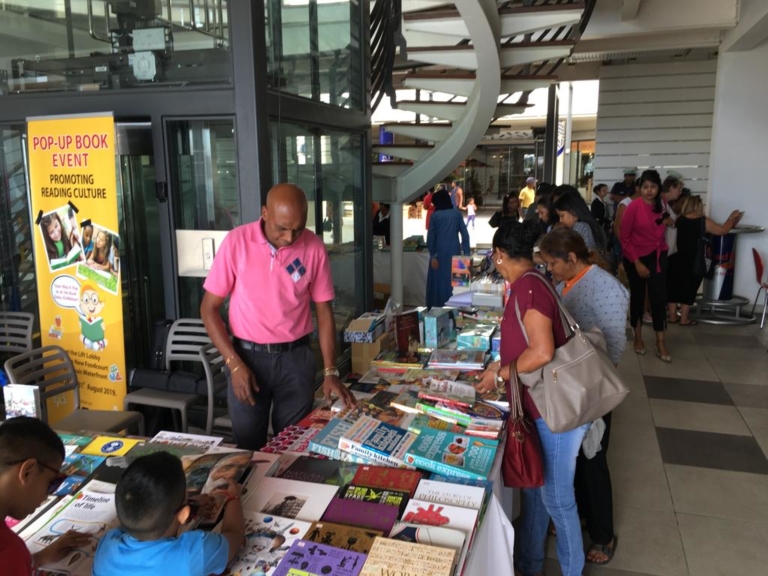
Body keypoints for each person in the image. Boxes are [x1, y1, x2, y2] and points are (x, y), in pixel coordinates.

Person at [200, 183, 356, 450]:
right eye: (282, 228)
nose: (289, 237)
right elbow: (208, 308)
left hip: (296, 361)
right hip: (247, 360)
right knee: (249, 449)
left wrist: (330, 370)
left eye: (297, 228)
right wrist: (234, 364)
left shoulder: (313, 247)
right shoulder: (237, 242)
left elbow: (323, 310)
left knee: (293, 447)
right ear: (264, 213)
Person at [473, 220, 589, 576]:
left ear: (499, 255)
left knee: (557, 497)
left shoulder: (528, 290)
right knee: (539, 493)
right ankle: (529, 563)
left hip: (555, 410)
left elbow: (541, 352)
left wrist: (500, 372)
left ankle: (572, 570)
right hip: (540, 405)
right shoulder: (531, 282)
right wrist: (500, 363)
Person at [538, 229, 629, 566]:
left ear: (572, 259)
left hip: (593, 387)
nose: (550, 270)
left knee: (594, 460)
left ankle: (603, 534)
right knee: (576, 458)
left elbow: (614, 345)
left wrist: (591, 384)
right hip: (571, 386)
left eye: (553, 264)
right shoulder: (567, 283)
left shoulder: (606, 288)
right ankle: (581, 516)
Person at [93, 452, 244, 576]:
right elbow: (235, 535)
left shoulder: (107, 543)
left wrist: (187, 503)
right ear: (184, 514)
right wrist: (233, 498)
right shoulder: (194, 551)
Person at [0, 417, 91, 576]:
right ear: (27, 471)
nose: (45, 496)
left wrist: (37, 558)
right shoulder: (8, 552)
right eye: (51, 483)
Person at [667, 196, 744, 326]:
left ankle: (673, 316)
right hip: (694, 260)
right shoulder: (703, 221)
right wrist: (732, 218)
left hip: (675, 258)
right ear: (697, 206)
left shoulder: (680, 219)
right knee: (689, 289)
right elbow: (722, 231)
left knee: (674, 288)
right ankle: (684, 319)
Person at [621, 170, 671, 362]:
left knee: (659, 297)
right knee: (639, 297)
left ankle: (660, 341)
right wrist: (637, 263)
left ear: (659, 188)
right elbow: (625, 239)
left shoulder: (663, 204)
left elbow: (669, 222)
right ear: (639, 188)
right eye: (645, 187)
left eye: (653, 187)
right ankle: (638, 336)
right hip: (635, 255)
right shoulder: (633, 207)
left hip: (658, 254)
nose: (649, 191)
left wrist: (668, 220)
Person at [426, 189, 470, 308]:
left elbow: (430, 238)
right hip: (456, 253)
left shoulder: (435, 216)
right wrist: (466, 254)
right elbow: (465, 235)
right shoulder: (456, 214)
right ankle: (458, 313)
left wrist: (433, 256)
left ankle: (438, 312)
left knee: (438, 285)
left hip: (439, 256)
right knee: (458, 286)